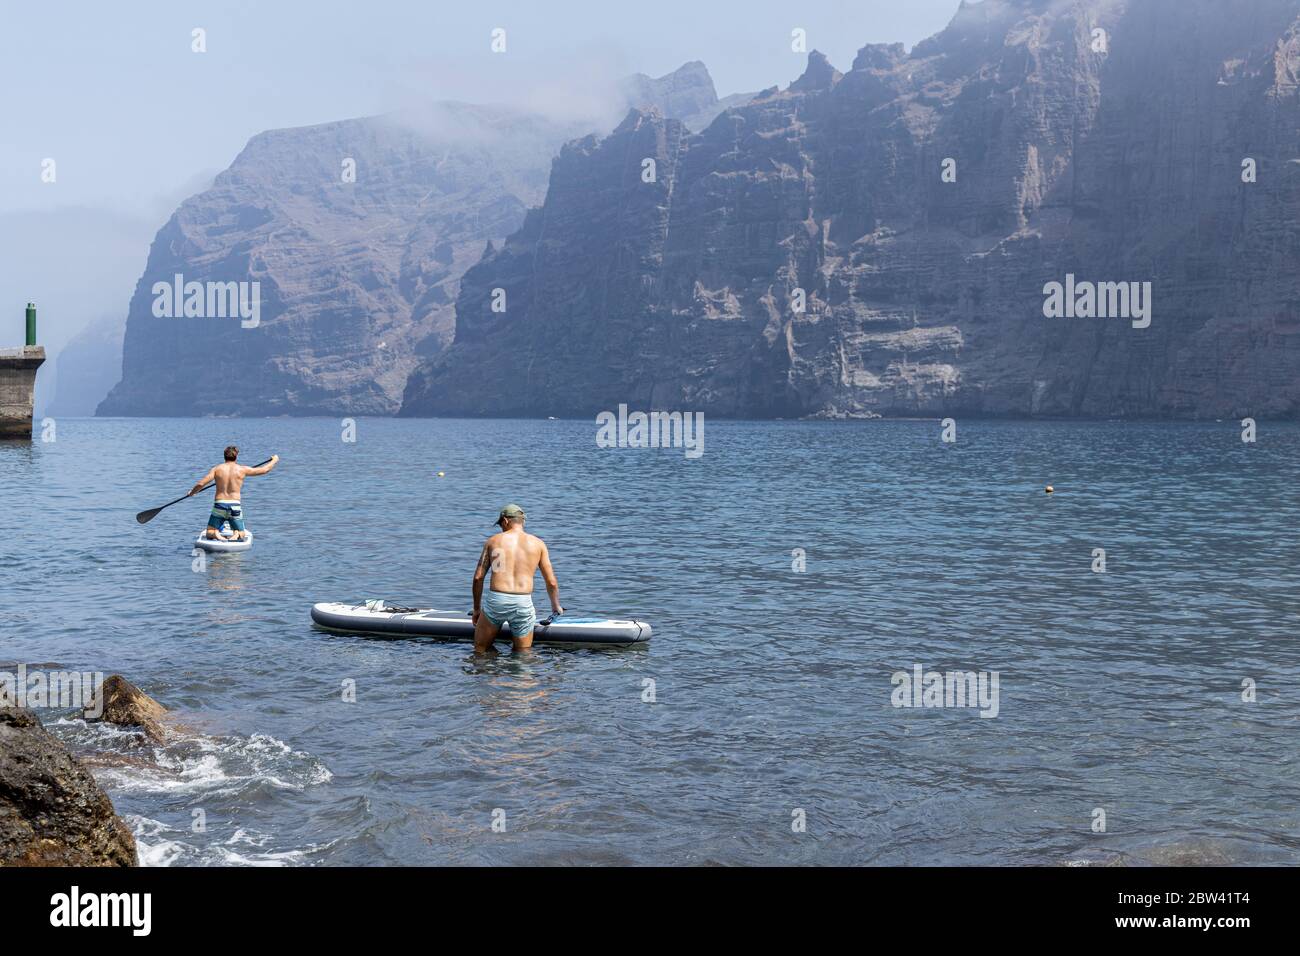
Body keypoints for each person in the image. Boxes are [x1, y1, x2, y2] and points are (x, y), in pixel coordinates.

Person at [472, 504, 563, 653]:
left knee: (480, 650)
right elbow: (551, 581)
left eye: (500, 524)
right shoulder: (538, 544)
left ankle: (490, 674)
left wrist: (476, 609)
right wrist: (555, 606)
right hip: (523, 603)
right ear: (523, 521)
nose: (501, 528)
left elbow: (478, 577)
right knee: (523, 656)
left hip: (497, 601)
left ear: (506, 521)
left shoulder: (494, 541)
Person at [189, 446, 279, 541]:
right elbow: (264, 470)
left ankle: (215, 533)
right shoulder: (242, 469)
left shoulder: (216, 469)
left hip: (220, 505)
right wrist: (274, 460)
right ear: (236, 457)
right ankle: (237, 533)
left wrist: (192, 492)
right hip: (235, 506)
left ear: (224, 456)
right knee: (242, 533)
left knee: (209, 532)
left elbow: (201, 484)